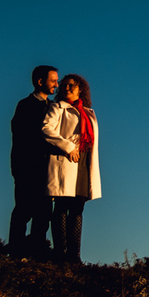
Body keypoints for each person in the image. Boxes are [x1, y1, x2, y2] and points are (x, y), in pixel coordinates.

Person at [41, 73, 101, 263]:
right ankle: (60, 254)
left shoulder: (89, 112)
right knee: (61, 207)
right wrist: (68, 147)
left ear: (81, 88)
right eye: (64, 86)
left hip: (83, 161)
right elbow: (46, 129)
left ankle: (74, 256)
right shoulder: (57, 107)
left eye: (71, 85)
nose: (67, 88)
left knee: (77, 208)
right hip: (65, 160)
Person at [7, 65, 59, 259]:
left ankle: (37, 256)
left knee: (44, 215)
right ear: (40, 82)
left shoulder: (54, 108)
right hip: (27, 168)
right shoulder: (25, 106)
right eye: (53, 80)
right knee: (23, 211)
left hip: (48, 170)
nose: (56, 84)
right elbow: (22, 138)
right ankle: (16, 254)